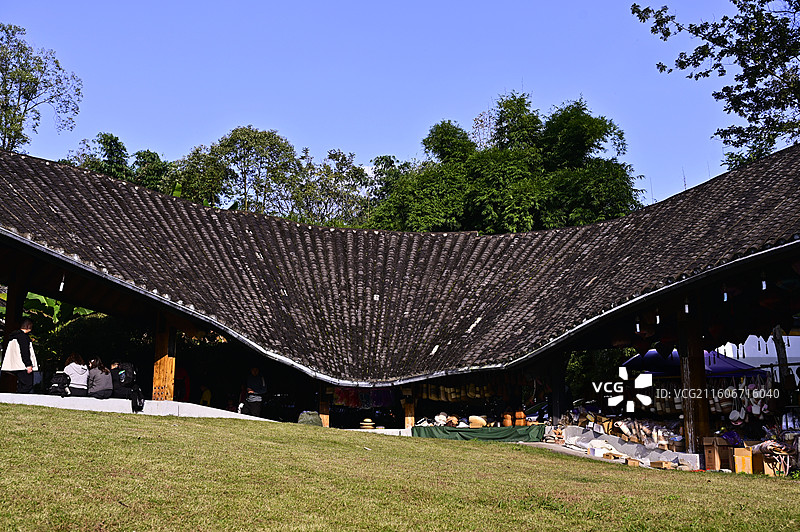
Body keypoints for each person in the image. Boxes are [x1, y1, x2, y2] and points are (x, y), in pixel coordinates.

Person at [1, 318, 37, 393]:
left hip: (16, 365)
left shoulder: (14, 336)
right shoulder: (23, 337)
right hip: (23, 365)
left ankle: (18, 400)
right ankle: (20, 400)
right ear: (28, 326)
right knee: (28, 384)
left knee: (22, 384)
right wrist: (28, 364)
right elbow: (25, 351)